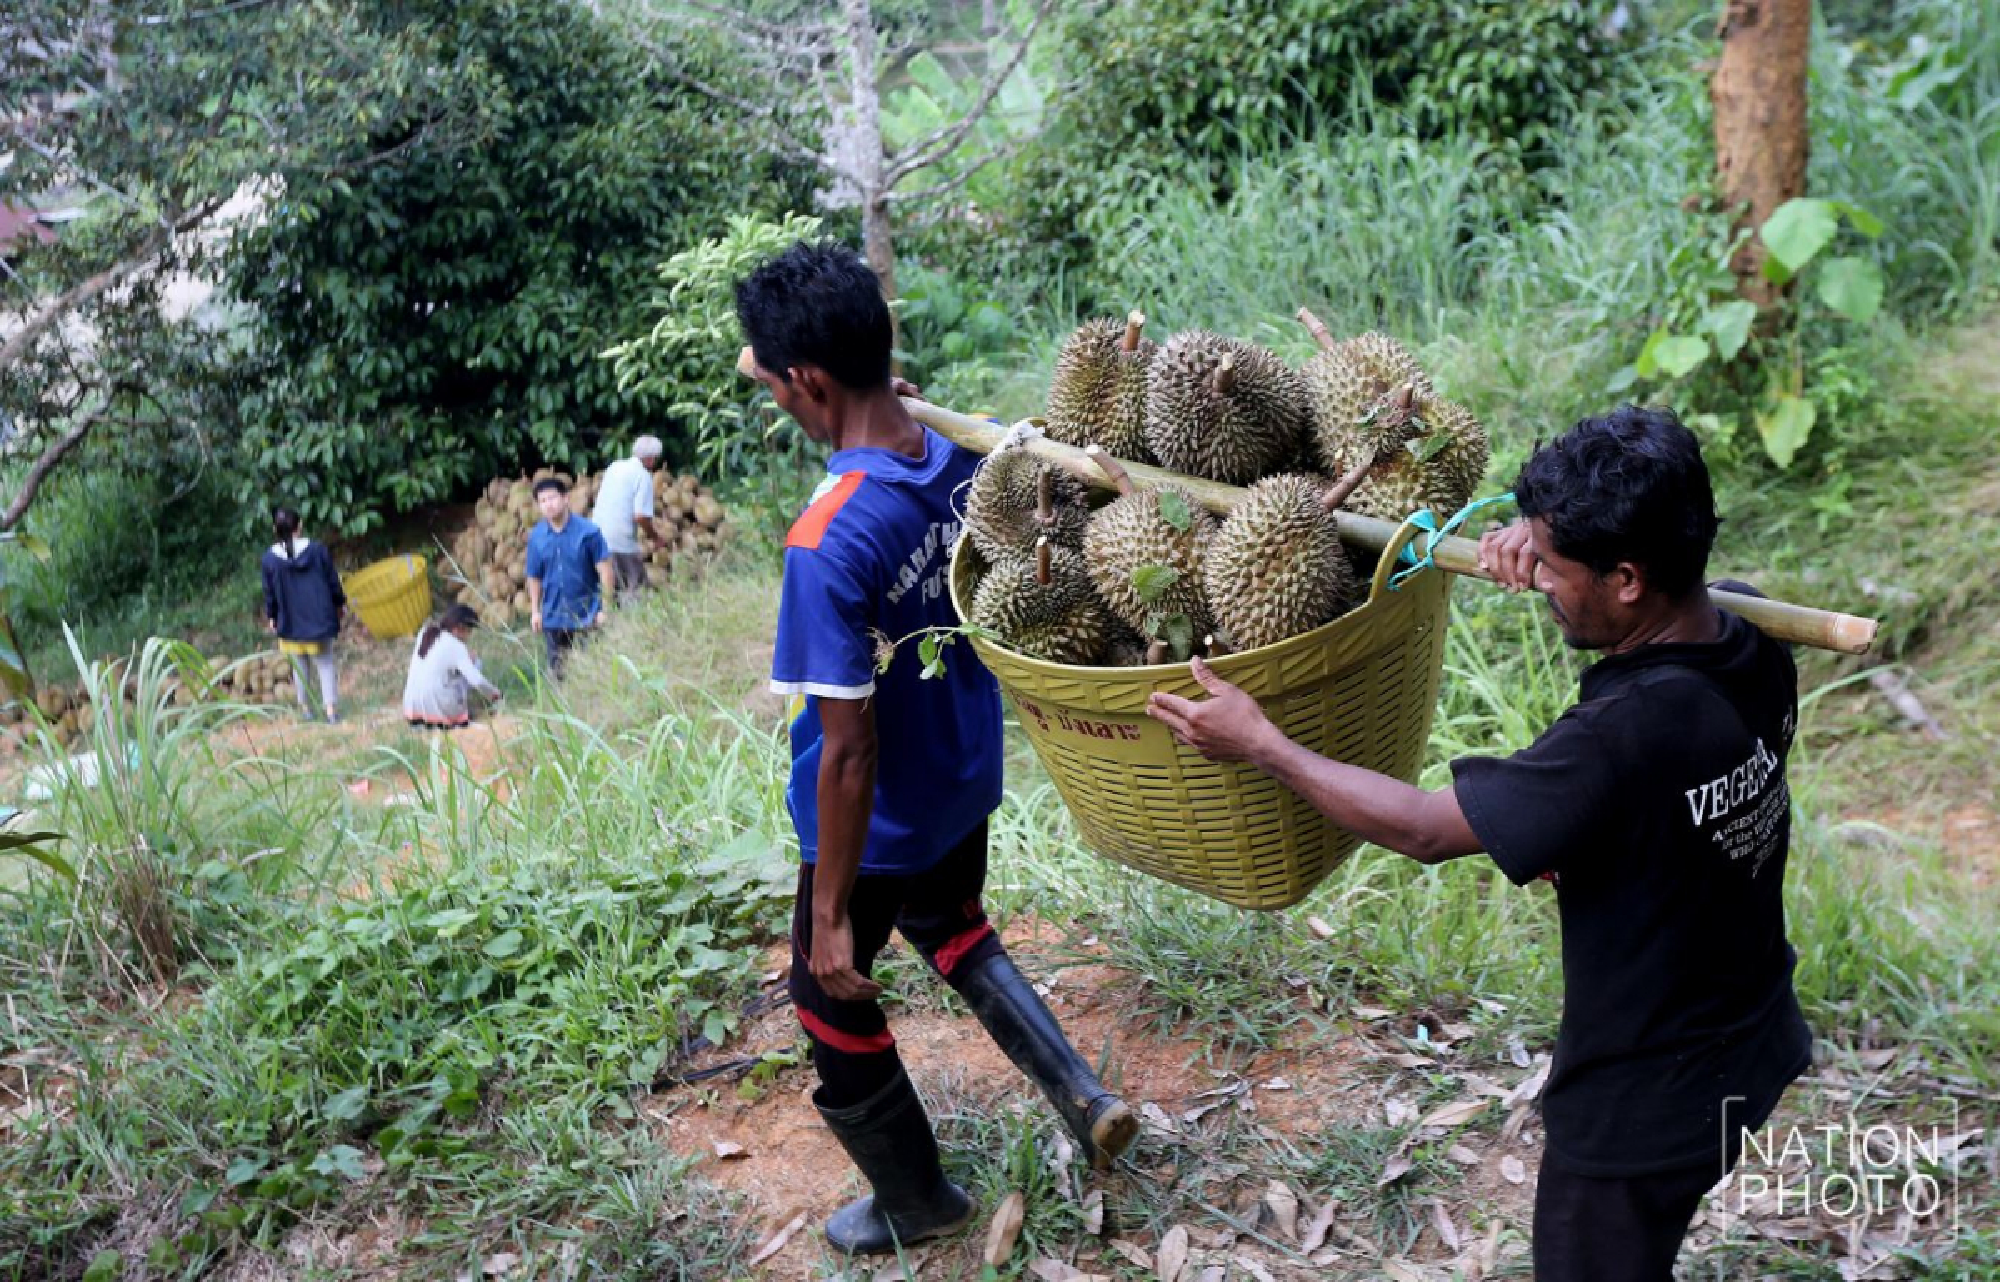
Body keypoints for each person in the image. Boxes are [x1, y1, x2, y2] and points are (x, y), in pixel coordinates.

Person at [1148, 407, 1811, 1282]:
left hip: (1644, 1100)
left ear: (1625, 579)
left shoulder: (1619, 738)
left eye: (1554, 567)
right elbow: (1649, 791)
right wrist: (1540, 544)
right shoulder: (1754, 634)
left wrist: (1262, 743)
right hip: (1753, 1036)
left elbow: (1426, 830)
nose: (1537, 578)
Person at [736, 240, 1138, 1257]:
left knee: (825, 997)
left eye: (779, 381)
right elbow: (826, 387)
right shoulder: (963, 454)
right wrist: (805, 370)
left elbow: (846, 754)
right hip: (965, 779)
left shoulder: (825, 541)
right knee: (951, 921)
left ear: (811, 381)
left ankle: (916, 1202)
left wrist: (827, 911)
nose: (771, 391)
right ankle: (1080, 1093)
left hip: (878, 824)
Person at [260, 506, 346, 723]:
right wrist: (339, 604)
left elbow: (269, 593)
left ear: (275, 529)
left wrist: (272, 616)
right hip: (319, 619)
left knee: (299, 667)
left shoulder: (270, 560)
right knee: (325, 664)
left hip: (289, 622)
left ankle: (306, 708)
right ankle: (331, 711)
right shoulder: (317, 551)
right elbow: (332, 581)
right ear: (299, 526)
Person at [524, 476, 612, 676]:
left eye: (552, 498)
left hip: (586, 615)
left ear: (565, 499)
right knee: (558, 672)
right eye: (543, 501)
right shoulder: (537, 538)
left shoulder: (589, 532)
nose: (549, 505)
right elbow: (534, 576)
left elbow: (605, 572)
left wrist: (605, 609)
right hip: (553, 616)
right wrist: (535, 611)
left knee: (590, 671)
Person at [402, 603, 502, 728]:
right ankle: (456, 714)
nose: (468, 636)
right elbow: (476, 680)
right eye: (469, 631)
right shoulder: (456, 646)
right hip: (439, 710)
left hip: (411, 709)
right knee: (476, 663)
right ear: (459, 628)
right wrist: (496, 695)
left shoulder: (425, 632)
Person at [591, 435, 664, 603]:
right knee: (635, 585)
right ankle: (630, 621)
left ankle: (608, 616)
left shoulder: (614, 466)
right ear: (651, 459)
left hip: (596, 533)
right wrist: (655, 537)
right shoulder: (642, 476)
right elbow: (640, 516)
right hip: (619, 539)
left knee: (606, 583)